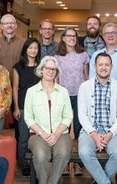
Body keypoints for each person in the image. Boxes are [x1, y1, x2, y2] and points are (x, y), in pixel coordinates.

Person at [78, 53, 117, 184]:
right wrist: (94, 135)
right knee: (84, 152)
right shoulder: (84, 87)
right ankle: (105, 182)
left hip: (112, 131)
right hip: (90, 131)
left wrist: (110, 134)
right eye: (100, 64)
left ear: (111, 67)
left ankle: (98, 181)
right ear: (94, 66)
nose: (103, 67)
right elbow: (82, 115)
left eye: (107, 64)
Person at [24, 56, 73, 184]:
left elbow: (68, 116)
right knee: (40, 156)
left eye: (54, 69)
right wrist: (43, 134)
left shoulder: (63, 92)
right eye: (47, 68)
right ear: (41, 70)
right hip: (38, 134)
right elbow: (28, 118)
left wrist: (56, 134)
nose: (50, 71)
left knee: (62, 153)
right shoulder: (31, 92)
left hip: (61, 133)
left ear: (57, 72)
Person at [54, 27, 89, 176]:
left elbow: (86, 76)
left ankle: (79, 163)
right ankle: (66, 163)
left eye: (74, 36)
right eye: (68, 36)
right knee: (65, 130)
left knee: (79, 129)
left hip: (80, 95)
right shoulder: (57, 57)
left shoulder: (83, 55)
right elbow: (56, 79)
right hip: (64, 96)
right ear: (63, 38)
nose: (72, 38)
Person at [12, 37, 41, 177]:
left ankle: (36, 163)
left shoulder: (42, 66)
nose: (33, 50)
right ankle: (23, 164)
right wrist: (16, 108)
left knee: (37, 137)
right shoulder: (18, 67)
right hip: (23, 106)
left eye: (36, 48)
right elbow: (15, 88)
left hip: (39, 107)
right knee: (23, 138)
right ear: (25, 49)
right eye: (30, 48)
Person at [89, 22, 117, 94]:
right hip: (100, 96)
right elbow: (92, 78)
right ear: (103, 36)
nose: (110, 35)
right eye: (107, 33)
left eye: (113, 32)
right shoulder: (95, 55)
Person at [0, 14, 25, 81]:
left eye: (12, 23)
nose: (9, 25)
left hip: (19, 83)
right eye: (6, 23)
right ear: (1, 26)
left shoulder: (24, 43)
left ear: (15, 26)